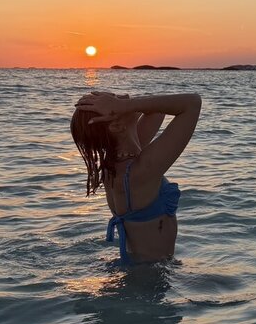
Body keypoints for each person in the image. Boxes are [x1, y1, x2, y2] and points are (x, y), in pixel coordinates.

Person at [71, 90, 202, 264]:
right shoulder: (139, 172)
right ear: (117, 127)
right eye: (114, 99)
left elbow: (158, 111)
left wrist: (124, 106)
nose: (124, 96)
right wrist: (126, 106)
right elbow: (192, 103)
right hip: (150, 274)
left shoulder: (121, 161)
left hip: (140, 269)